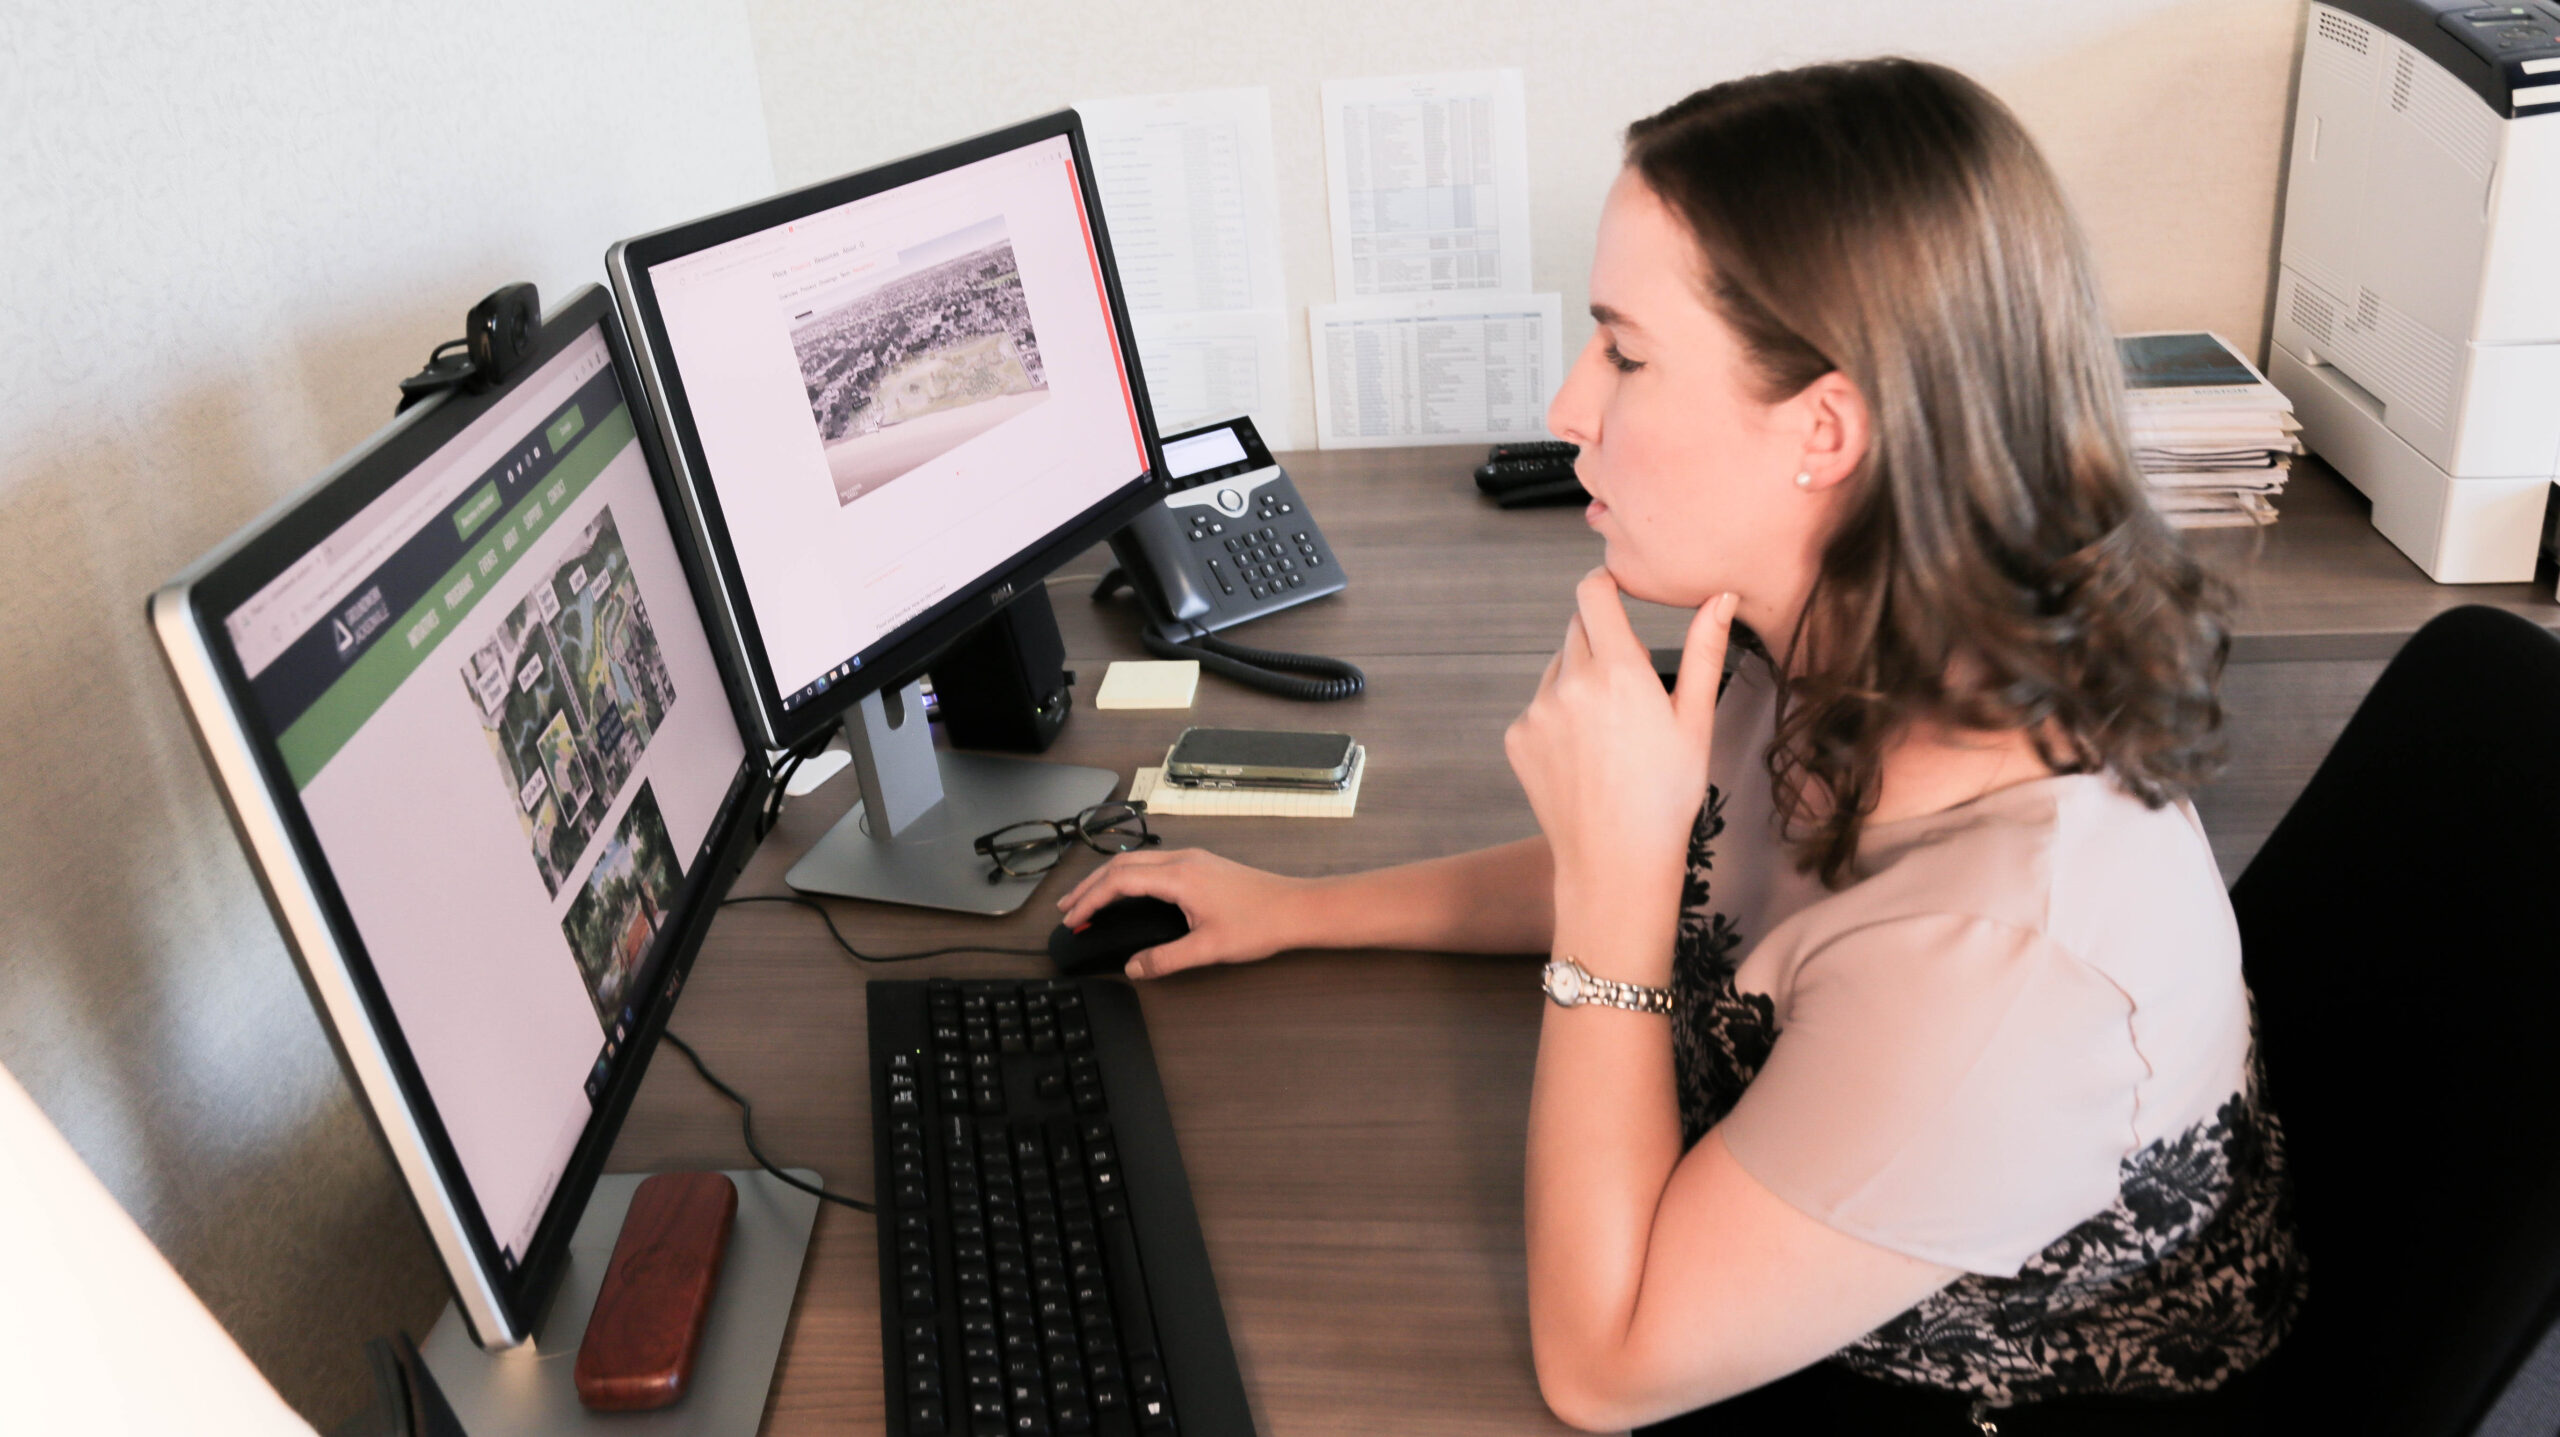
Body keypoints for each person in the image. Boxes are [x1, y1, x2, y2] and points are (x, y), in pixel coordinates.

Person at [1061, 57, 2304, 1434]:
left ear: (1825, 429)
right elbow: (1692, 864)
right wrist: (1307, 911)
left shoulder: (2005, 965)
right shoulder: (1854, 637)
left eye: (1626, 353)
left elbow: (1601, 1368)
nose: (1566, 409)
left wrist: (1608, 897)